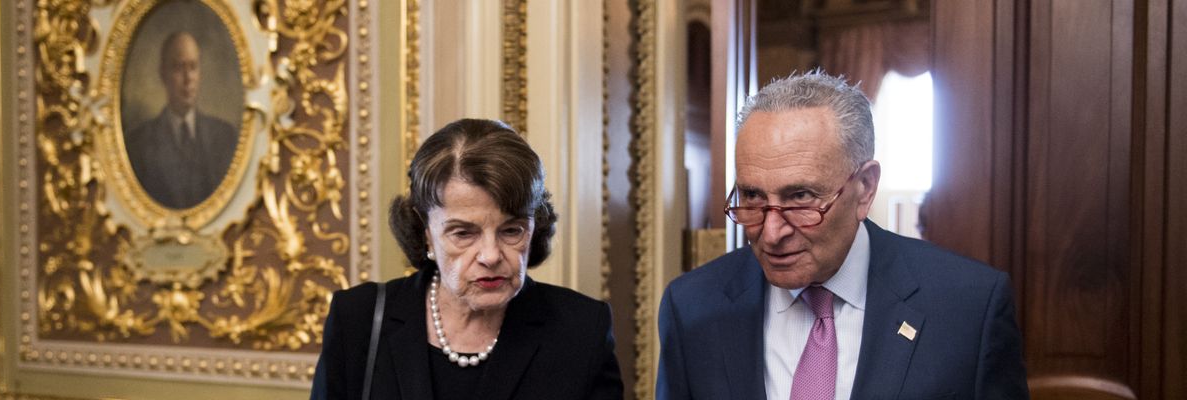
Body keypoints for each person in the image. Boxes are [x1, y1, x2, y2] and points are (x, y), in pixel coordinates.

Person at [656, 71, 1028, 399]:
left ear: (865, 188)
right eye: (753, 196)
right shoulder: (692, 308)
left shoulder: (969, 307)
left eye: (800, 197)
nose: (770, 233)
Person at [311, 119, 624, 400]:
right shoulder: (357, 319)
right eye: (463, 234)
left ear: (535, 226)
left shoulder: (582, 329)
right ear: (425, 233)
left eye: (511, 230)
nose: (490, 255)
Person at [125, 31, 238, 209]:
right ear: (163, 74)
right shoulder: (138, 144)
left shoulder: (225, 137)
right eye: (178, 68)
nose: (188, 79)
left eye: (193, 67)